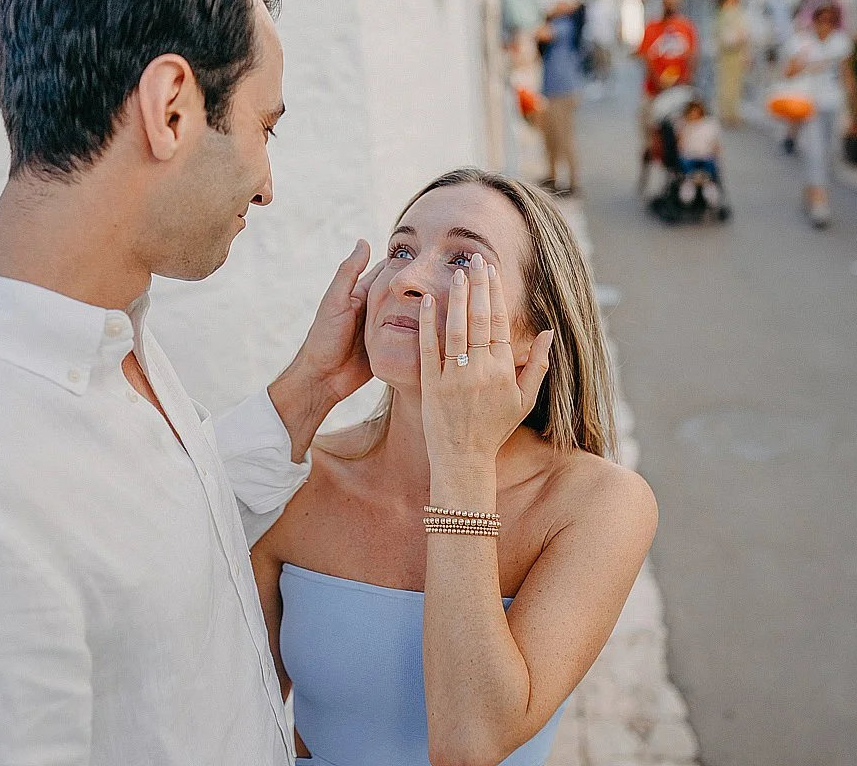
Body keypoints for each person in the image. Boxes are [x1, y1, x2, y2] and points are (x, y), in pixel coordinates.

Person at [0, 0, 386, 765]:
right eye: (263, 128)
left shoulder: (101, 334)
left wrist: (311, 390)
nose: (267, 184)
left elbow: (160, 546)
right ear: (170, 107)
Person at [252, 169, 658, 766]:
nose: (408, 280)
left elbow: (470, 745)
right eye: (401, 250)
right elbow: (236, 715)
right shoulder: (297, 477)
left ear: (532, 336)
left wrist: (462, 461)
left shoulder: (596, 505)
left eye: (463, 260)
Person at [784, 2, 855, 228]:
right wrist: (806, 64)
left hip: (833, 104)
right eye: (820, 21)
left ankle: (811, 188)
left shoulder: (840, 42)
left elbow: (847, 74)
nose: (824, 26)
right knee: (815, 150)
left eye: (829, 22)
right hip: (809, 104)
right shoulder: (802, 42)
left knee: (826, 152)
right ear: (813, 22)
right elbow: (788, 72)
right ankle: (819, 202)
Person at [783, 0, 846, 154]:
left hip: (829, 61)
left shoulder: (838, 2)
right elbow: (802, 26)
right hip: (811, 57)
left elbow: (842, 28)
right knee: (803, 99)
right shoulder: (815, 1)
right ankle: (792, 135)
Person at [636, 0, 698, 169]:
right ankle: (650, 151)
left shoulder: (686, 27)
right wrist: (659, 81)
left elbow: (692, 57)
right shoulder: (652, 27)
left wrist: (684, 79)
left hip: (680, 89)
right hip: (655, 89)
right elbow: (646, 57)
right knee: (647, 120)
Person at [535, 0, 587, 195]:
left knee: (564, 137)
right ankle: (553, 176)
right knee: (551, 137)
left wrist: (547, 14)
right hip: (553, 90)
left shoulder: (565, 25)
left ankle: (573, 182)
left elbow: (542, 34)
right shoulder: (562, 24)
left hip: (563, 91)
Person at [677, 99, 724, 206]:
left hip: (706, 156)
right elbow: (680, 145)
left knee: (710, 167)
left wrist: (716, 152)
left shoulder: (709, 125)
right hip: (689, 156)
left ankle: (709, 186)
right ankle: (689, 184)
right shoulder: (683, 125)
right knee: (686, 166)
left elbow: (715, 143)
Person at [714, 0, 750, 127]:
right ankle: (727, 113)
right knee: (728, 84)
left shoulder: (735, 12)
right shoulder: (727, 13)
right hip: (729, 52)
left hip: (737, 53)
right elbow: (725, 35)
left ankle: (731, 112)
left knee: (734, 85)